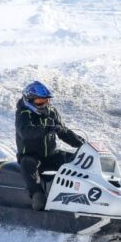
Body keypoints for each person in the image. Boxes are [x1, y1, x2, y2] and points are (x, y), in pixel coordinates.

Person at [15, 81, 85, 210]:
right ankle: (37, 196)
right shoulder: (23, 113)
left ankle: (84, 196)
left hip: (51, 156)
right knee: (27, 163)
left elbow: (64, 132)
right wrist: (46, 128)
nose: (44, 105)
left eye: (46, 101)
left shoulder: (51, 111)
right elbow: (26, 132)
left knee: (77, 161)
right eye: (40, 102)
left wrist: (82, 144)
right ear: (29, 100)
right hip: (31, 157)